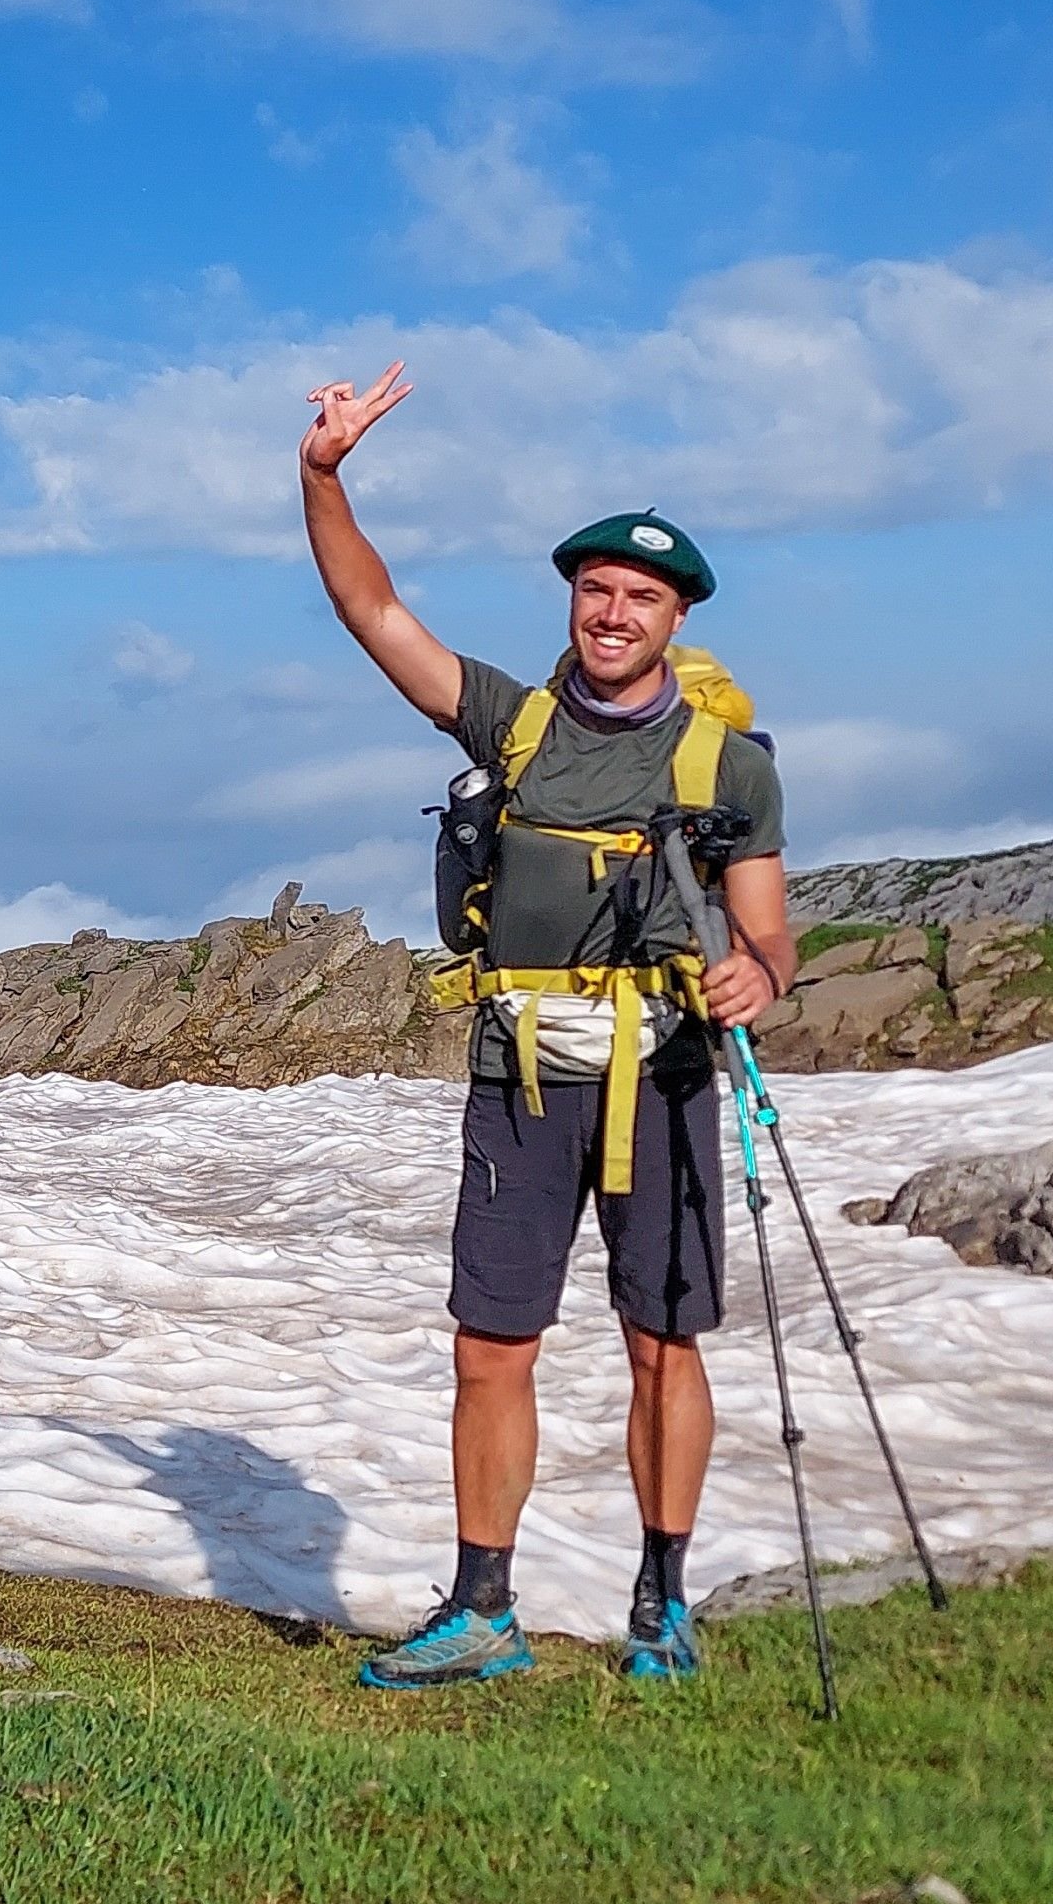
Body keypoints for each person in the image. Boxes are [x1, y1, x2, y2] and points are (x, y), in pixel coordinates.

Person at [297, 361, 796, 1687]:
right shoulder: (514, 724)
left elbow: (770, 937)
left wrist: (755, 976)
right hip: (520, 1077)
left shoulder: (726, 763)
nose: (613, 611)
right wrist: (323, 475)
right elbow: (370, 607)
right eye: (594, 590)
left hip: (670, 1078)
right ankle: (483, 1612)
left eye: (640, 596)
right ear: (572, 601)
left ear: (675, 614)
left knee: (661, 1341)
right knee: (490, 1343)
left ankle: (663, 1608)